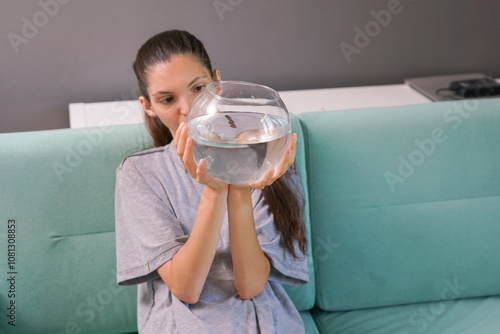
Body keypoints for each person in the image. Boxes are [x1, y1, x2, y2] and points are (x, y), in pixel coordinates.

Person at [115, 29, 308, 333]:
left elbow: (251, 286)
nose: (188, 109)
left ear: (217, 84)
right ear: (149, 106)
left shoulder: (267, 154)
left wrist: (240, 187)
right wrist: (215, 188)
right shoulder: (139, 174)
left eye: (198, 88)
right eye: (167, 99)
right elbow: (187, 288)